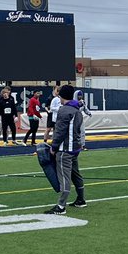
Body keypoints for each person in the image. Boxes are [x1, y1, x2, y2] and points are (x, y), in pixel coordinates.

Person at [45, 84, 86, 214]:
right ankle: (81, 199)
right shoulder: (77, 110)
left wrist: (54, 146)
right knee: (76, 174)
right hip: (75, 148)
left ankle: (61, 206)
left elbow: (60, 132)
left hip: (65, 149)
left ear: (61, 95)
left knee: (64, 177)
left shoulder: (64, 110)